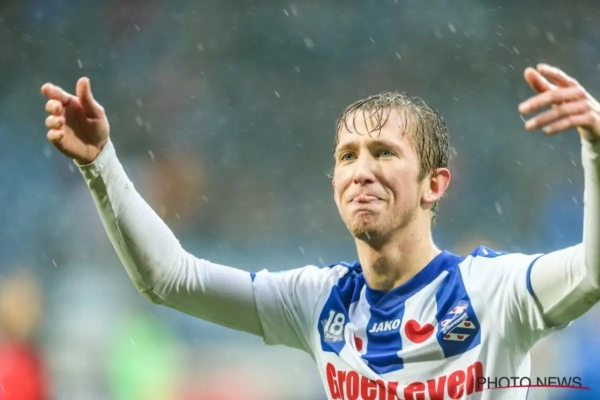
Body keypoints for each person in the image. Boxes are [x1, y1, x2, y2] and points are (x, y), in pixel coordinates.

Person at [40, 63, 600, 400]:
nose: (362, 170)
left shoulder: (493, 291)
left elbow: (593, 272)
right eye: (348, 155)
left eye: (384, 152)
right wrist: (100, 164)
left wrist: (596, 148)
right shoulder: (318, 301)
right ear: (334, 183)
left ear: (435, 184)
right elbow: (170, 279)